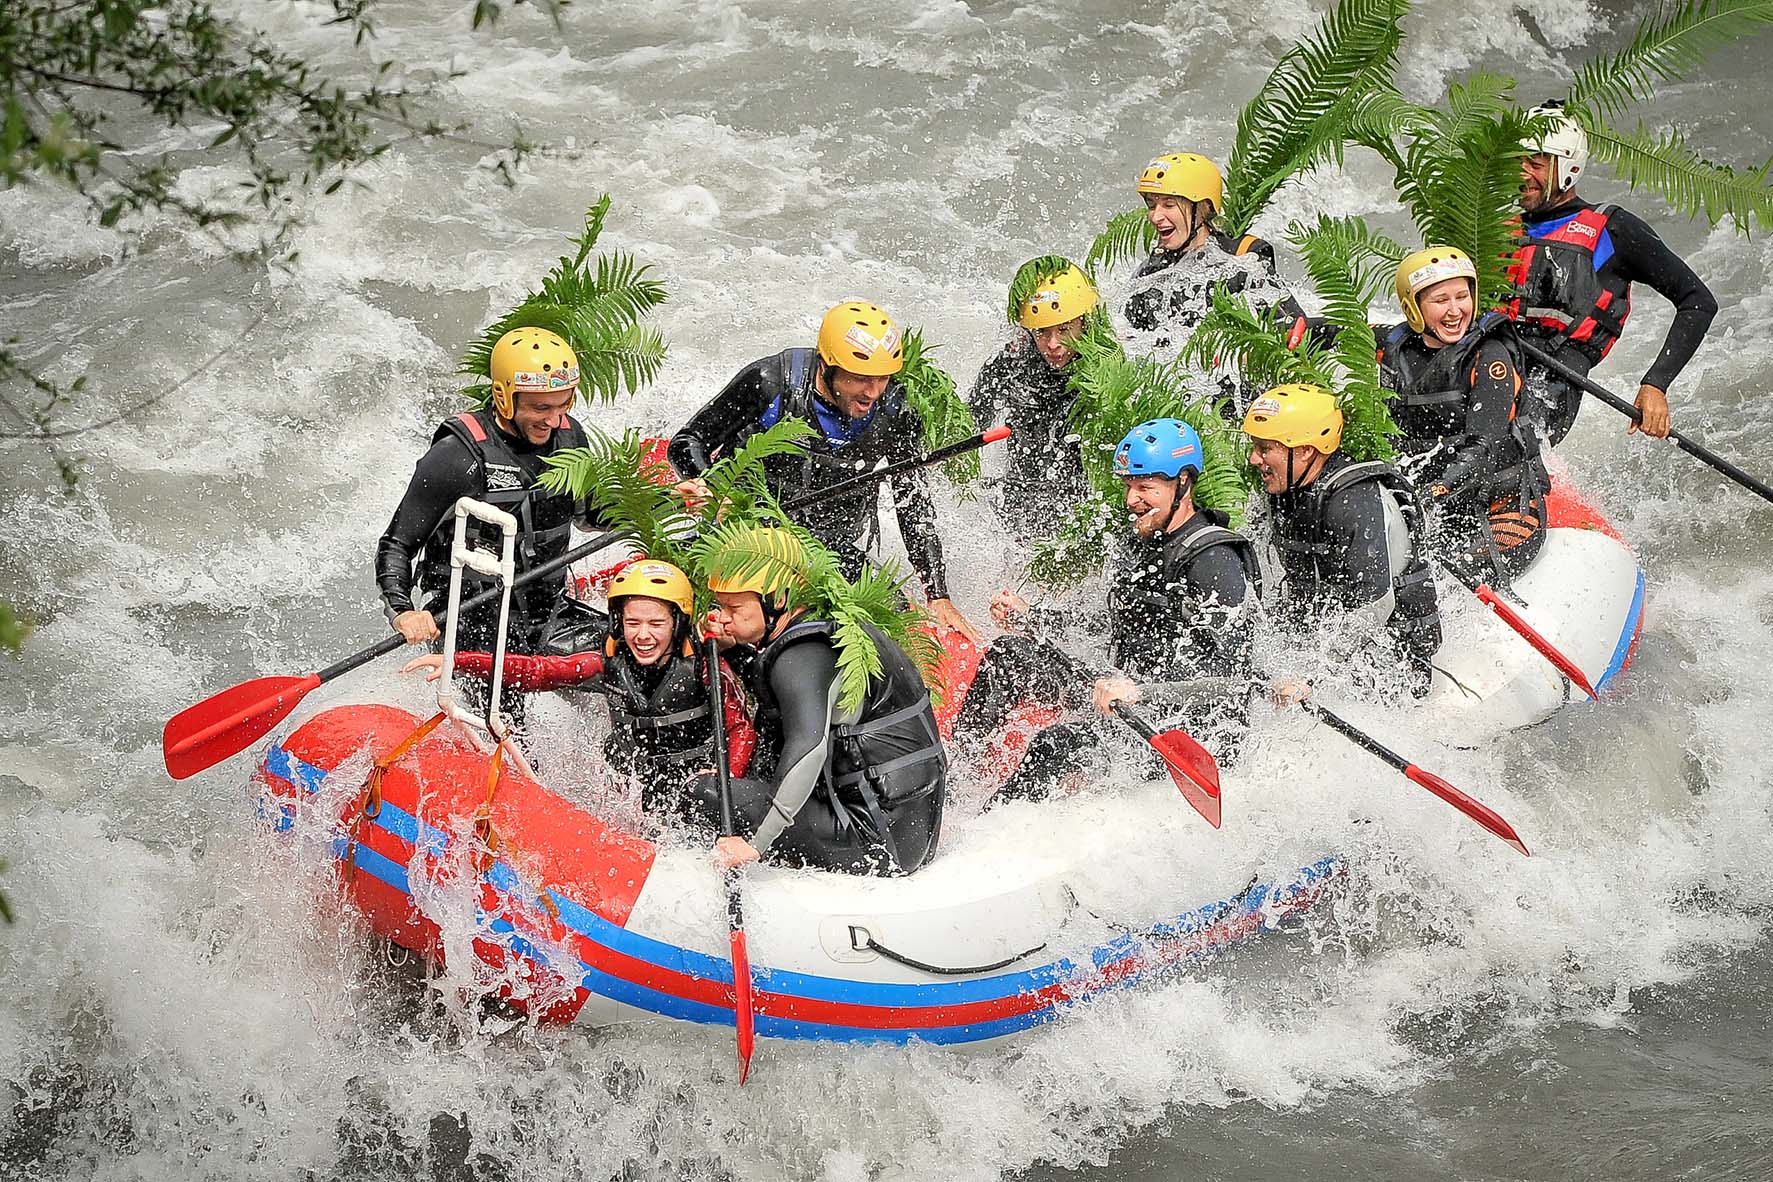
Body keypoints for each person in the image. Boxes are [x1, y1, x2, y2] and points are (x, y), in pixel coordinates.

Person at [957, 419, 1260, 800]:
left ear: (1182, 483)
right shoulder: (1146, 541)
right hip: (1121, 693)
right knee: (1009, 655)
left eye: (1145, 487)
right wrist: (1034, 617)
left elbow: (1236, 681)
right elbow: (1111, 625)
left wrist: (1142, 693)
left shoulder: (1214, 561)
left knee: (1057, 744)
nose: (1131, 499)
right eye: (1129, 486)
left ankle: (989, 831)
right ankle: (951, 779)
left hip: (1178, 723)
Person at [667, 301, 979, 641]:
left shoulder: (896, 411)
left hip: (829, 549)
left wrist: (937, 593)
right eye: (861, 378)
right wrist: (710, 486)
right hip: (747, 534)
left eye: (883, 378)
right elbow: (687, 441)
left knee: (898, 620)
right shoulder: (770, 382)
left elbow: (912, 501)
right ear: (827, 365)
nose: (873, 392)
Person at [401, 559, 755, 814]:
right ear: (618, 623)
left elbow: (741, 728)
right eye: (632, 623)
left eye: (656, 624)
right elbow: (537, 671)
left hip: (695, 786)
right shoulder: (607, 663)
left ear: (677, 623)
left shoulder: (705, 667)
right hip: (634, 789)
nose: (643, 635)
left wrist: (727, 775)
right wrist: (460, 660)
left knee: (702, 795)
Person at [375, 326, 605, 718]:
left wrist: (665, 502)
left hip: (547, 612)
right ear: (503, 397)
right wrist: (403, 610)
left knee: (632, 660)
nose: (553, 420)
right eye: (540, 408)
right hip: (473, 619)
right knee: (510, 720)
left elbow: (592, 515)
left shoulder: (570, 437)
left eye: (562, 405)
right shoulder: (457, 457)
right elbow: (397, 544)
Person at [696, 529, 947, 877]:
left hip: (875, 842)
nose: (722, 618)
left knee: (704, 792)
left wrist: (755, 843)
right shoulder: (831, 626)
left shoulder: (802, 657)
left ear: (778, 599)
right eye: (720, 606)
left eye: (734, 608)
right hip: (911, 829)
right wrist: (735, 644)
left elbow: (808, 750)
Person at [1510, 101, 1719, 445]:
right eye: (1516, 161)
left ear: (1568, 167)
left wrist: (1655, 384)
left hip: (1554, 380)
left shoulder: (1613, 229)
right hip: (1494, 364)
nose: (1521, 173)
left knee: (1501, 442)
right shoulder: (1493, 228)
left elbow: (1697, 302)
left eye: (1535, 163)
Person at [1242, 384, 1442, 696]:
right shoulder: (1287, 490)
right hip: (1332, 649)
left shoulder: (1353, 502)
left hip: (1393, 665)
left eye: (1265, 449)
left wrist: (1311, 675)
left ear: (1306, 450)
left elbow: (1377, 604)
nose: (1255, 459)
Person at [1379, 247, 1550, 577]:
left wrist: (1436, 490)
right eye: (1440, 300)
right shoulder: (1396, 346)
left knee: (1452, 572)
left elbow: (1483, 446)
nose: (1455, 310)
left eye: (1462, 297)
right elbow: (1336, 330)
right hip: (1440, 508)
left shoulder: (1490, 355)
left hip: (1504, 505)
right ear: (1413, 308)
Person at [1122, 151, 1312, 382]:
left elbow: (1295, 330)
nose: (1155, 217)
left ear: (1203, 208)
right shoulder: (1151, 272)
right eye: (1152, 205)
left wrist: (1245, 355)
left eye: (1169, 205)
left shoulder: (1242, 259)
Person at [968, 259, 1098, 544]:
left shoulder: (1104, 372)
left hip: (1079, 505)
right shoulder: (1009, 364)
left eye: (1064, 330)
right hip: (1019, 493)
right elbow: (970, 423)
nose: (1053, 344)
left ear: (1084, 322)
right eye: (1042, 332)